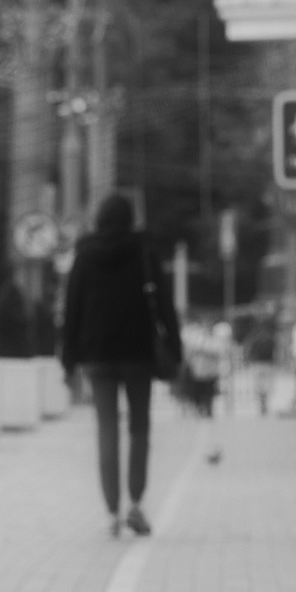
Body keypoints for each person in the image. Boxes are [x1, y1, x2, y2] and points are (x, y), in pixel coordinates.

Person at [59, 193, 181, 535]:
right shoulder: (144, 252)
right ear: (130, 219)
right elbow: (164, 304)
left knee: (106, 429)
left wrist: (68, 360)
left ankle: (111, 512)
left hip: (96, 355)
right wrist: (175, 350)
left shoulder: (84, 256)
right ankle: (137, 505)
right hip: (137, 353)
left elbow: (72, 310)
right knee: (140, 428)